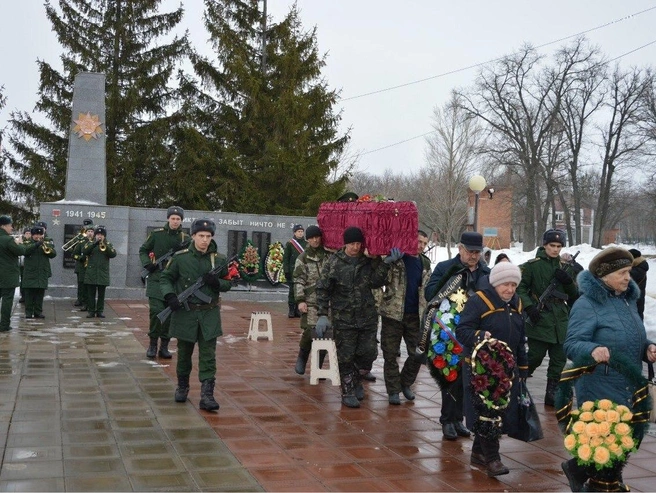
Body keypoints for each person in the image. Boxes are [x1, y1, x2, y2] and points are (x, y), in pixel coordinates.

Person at [561, 247, 656, 492]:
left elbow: (631, 336)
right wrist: (592, 350)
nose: (628, 277)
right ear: (605, 275)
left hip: (628, 383)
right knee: (607, 440)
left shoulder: (627, 300)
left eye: (629, 272)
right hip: (599, 385)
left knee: (626, 437)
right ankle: (599, 481)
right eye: (623, 272)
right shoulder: (587, 304)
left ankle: (585, 471)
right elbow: (572, 344)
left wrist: (647, 348)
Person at [457, 262, 528, 477]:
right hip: (481, 370)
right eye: (505, 284)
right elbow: (462, 330)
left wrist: (523, 367)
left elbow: (521, 337)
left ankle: (479, 453)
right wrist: (479, 336)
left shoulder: (517, 303)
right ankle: (493, 459)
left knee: (498, 412)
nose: (510, 289)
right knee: (487, 412)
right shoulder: (479, 301)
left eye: (514, 285)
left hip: (507, 369)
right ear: (495, 284)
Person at [315, 226, 400, 408]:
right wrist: (322, 314)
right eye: (352, 243)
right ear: (345, 243)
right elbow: (323, 289)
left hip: (367, 317)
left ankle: (356, 379)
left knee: (368, 353)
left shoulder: (366, 261)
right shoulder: (334, 262)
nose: (355, 247)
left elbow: (376, 282)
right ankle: (348, 391)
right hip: (343, 318)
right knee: (346, 356)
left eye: (358, 244)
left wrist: (385, 263)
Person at [160, 218, 234, 411]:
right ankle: (182, 387)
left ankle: (207, 395)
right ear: (193, 236)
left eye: (208, 236)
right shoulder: (180, 258)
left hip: (209, 314)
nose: (204, 240)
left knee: (208, 355)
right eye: (201, 236)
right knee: (184, 354)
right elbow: (166, 278)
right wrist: (170, 296)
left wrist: (216, 283)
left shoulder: (218, 259)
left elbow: (228, 282)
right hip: (186, 313)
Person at [424, 231, 490, 440]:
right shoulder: (446, 267)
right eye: (470, 251)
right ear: (460, 248)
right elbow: (430, 294)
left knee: (467, 379)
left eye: (477, 252)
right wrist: (451, 275)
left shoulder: (485, 272)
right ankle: (447, 420)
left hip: (472, 330)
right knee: (449, 377)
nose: (474, 256)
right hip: (447, 331)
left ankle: (459, 419)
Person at [517, 229, 580, 406]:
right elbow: (520, 288)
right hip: (540, 315)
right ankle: (517, 383)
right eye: (552, 245)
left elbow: (574, 294)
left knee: (559, 358)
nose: (555, 249)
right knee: (535, 356)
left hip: (560, 318)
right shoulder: (532, 266)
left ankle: (552, 391)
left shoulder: (565, 267)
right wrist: (529, 307)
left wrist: (568, 281)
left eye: (559, 246)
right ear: (544, 245)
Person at [379, 230, 432, 405]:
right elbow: (377, 280)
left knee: (418, 352)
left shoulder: (425, 262)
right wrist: (387, 263)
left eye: (424, 243)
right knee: (390, 354)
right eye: (418, 241)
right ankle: (393, 390)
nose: (421, 246)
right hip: (393, 314)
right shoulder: (397, 257)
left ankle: (405, 383)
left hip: (415, 315)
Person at [139, 206, 189, 359]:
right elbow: (143, 250)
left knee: (169, 314)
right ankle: (153, 344)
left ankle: (164, 346)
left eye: (178, 219)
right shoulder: (156, 234)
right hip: (156, 279)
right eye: (173, 218)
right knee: (155, 312)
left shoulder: (185, 239)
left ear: (181, 220)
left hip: (173, 282)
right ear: (168, 219)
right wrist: (147, 264)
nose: (175, 221)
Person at [292, 225, 331, 375]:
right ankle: (302, 357)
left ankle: (318, 366)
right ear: (307, 239)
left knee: (325, 333)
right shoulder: (303, 258)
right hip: (311, 301)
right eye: (312, 238)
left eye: (317, 237)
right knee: (310, 331)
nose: (315, 240)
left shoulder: (328, 255)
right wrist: (300, 300)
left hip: (327, 302)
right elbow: (299, 280)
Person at [0, 215, 37, 332]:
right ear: (4, 226)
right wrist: (20, 243)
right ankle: (4, 325)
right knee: (7, 299)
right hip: (7, 275)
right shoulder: (8, 240)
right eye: (10, 225)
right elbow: (21, 251)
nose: (12, 228)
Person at [22, 225, 57, 318]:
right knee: (29, 294)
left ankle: (38, 312)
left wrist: (44, 247)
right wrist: (36, 245)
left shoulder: (46, 243)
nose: (38, 236)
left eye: (40, 234)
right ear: (32, 235)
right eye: (36, 234)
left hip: (42, 272)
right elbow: (25, 251)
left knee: (40, 293)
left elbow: (53, 254)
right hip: (30, 272)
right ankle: (28, 312)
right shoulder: (27, 242)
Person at [82, 225, 117, 318]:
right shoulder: (90, 243)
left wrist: (105, 246)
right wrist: (94, 244)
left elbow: (113, 254)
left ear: (104, 236)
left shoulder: (108, 244)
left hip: (102, 273)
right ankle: (91, 311)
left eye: (101, 234)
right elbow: (84, 251)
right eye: (97, 234)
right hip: (91, 272)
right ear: (95, 235)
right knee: (91, 294)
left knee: (101, 295)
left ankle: (100, 311)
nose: (99, 236)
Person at [283, 224, 307, 318]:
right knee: (292, 291)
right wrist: (286, 270)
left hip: (303, 271)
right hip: (293, 270)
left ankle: (298, 309)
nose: (300, 233)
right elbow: (286, 259)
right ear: (295, 233)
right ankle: (291, 310)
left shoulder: (306, 244)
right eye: (299, 232)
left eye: (302, 231)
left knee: (301, 291)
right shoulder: (290, 244)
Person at [72, 223, 95, 312]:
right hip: (82, 267)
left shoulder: (96, 242)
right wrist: (81, 258)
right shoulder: (81, 243)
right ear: (86, 232)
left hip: (92, 268)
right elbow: (74, 255)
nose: (90, 233)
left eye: (92, 231)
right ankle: (84, 304)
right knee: (83, 286)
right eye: (88, 231)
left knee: (91, 287)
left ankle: (91, 304)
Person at [628, 248, 648, 320]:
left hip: (637, 296)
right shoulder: (639, 266)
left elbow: (629, 276)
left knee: (637, 315)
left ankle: (639, 330)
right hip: (636, 295)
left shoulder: (639, 269)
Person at [18, 227, 31, 303]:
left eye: (29, 233)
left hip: (29, 264)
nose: (28, 235)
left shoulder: (32, 242)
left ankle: (28, 296)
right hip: (22, 265)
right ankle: (23, 296)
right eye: (27, 233)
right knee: (22, 280)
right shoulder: (21, 241)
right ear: (24, 234)